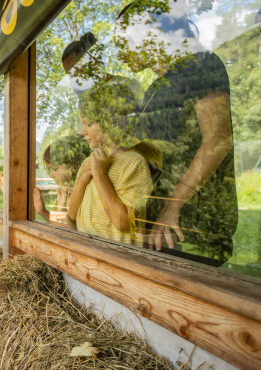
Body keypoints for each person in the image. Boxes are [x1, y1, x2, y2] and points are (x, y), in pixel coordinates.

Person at [115, 1, 237, 262]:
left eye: (123, 40)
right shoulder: (154, 89)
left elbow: (218, 140)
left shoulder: (201, 64)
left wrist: (172, 207)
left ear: (149, 32)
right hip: (156, 223)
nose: (120, 53)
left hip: (189, 224)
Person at [65, 78, 154, 247]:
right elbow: (71, 216)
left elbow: (123, 223)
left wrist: (100, 174)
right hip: (87, 258)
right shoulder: (88, 162)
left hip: (116, 263)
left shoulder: (134, 164)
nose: (81, 131)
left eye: (88, 124)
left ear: (111, 122)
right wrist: (83, 179)